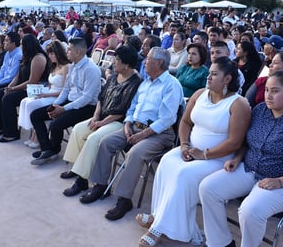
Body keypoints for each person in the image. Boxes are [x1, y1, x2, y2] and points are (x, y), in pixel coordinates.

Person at [199, 70, 283, 247]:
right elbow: (246, 142)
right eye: (267, 90)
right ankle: (220, 242)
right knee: (208, 188)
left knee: (250, 210)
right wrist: (237, 158)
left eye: (275, 91)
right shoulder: (260, 111)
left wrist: (280, 182)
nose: (268, 95)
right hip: (250, 170)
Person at [135, 56, 251, 247]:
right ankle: (158, 215)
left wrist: (204, 154)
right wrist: (184, 145)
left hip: (218, 157)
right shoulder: (199, 94)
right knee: (166, 162)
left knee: (183, 174)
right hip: (191, 149)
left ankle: (157, 228)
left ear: (227, 79)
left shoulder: (238, 104)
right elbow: (186, 122)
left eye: (214, 74)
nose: (208, 77)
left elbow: (235, 142)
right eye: (209, 73)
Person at [79, 47, 184, 222]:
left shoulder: (171, 85)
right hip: (134, 127)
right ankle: (100, 185)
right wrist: (127, 124)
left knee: (134, 154)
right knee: (105, 142)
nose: (144, 61)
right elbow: (132, 108)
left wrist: (143, 135)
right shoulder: (145, 83)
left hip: (159, 134)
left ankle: (124, 199)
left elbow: (167, 119)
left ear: (159, 63)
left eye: (148, 58)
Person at [61, 45, 142, 196]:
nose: (113, 62)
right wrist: (96, 116)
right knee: (78, 130)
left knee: (93, 138)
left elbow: (122, 111)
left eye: (117, 59)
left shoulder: (136, 82)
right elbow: (101, 98)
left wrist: (101, 123)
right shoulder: (113, 77)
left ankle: (81, 179)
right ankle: (77, 169)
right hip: (102, 117)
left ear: (126, 64)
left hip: (117, 122)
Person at [30, 37, 101, 165]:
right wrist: (55, 104)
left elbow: (87, 98)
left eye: (69, 50)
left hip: (86, 107)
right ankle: (47, 149)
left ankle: (54, 149)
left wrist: (63, 109)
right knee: (35, 115)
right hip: (71, 101)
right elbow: (66, 89)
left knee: (56, 124)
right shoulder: (73, 66)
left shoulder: (91, 69)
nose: (66, 52)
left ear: (78, 52)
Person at [0, 34, 51, 142]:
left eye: (23, 44)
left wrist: (14, 89)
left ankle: (11, 133)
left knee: (8, 99)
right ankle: (0, 127)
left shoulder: (38, 58)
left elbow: (33, 81)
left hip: (37, 89)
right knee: (0, 93)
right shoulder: (26, 56)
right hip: (25, 87)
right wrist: (9, 87)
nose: (21, 46)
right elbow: (18, 76)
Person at [18, 41, 69, 148]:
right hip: (50, 93)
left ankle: (37, 137)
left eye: (51, 53)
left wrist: (45, 95)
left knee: (32, 105)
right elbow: (50, 86)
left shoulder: (66, 67)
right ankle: (33, 134)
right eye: (48, 54)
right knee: (25, 101)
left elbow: (65, 91)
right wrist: (41, 91)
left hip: (58, 97)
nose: (49, 56)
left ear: (57, 53)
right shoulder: (54, 66)